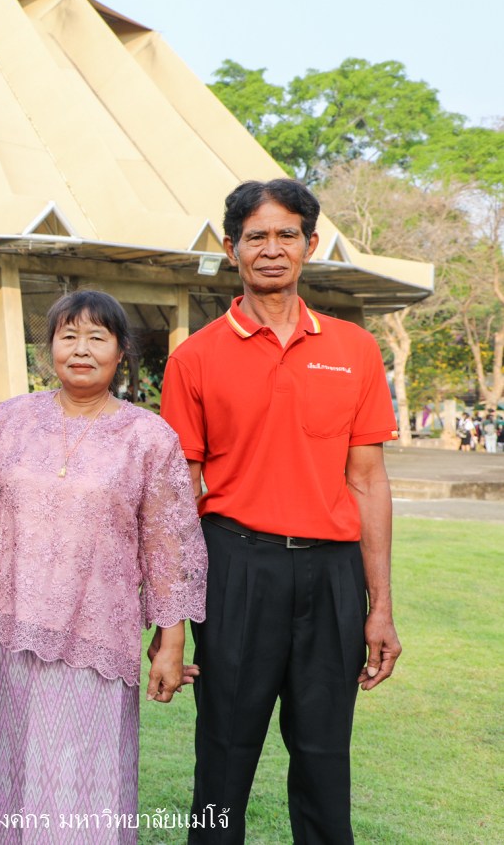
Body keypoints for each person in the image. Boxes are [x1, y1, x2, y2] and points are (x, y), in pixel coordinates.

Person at [161, 179, 402, 843]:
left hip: (332, 576)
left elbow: (368, 480)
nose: (272, 249)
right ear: (233, 249)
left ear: (310, 245)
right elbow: (178, 498)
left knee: (325, 759)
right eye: (257, 236)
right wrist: (173, 619)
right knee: (224, 759)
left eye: (286, 234)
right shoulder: (195, 357)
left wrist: (378, 604)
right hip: (236, 567)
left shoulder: (354, 349)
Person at [0, 290, 206, 843]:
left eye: (97, 337)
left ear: (121, 353)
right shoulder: (9, 421)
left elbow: (171, 548)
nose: (81, 349)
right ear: (49, 351)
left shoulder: (149, 437)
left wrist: (171, 643)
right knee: (2, 773)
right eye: (68, 336)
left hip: (96, 634)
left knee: (78, 779)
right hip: (6, 632)